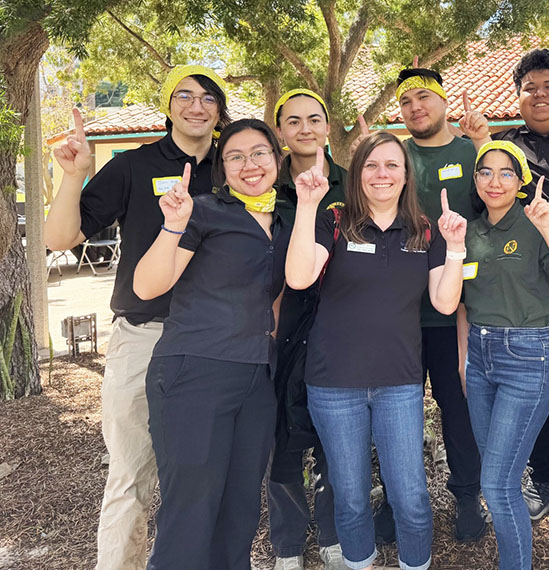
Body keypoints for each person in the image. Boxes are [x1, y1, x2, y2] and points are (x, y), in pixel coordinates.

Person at [44, 65, 229, 570]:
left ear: (219, 109)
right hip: (144, 338)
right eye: (185, 96)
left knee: (204, 477)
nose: (197, 106)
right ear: (168, 106)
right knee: (130, 476)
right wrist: (73, 174)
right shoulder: (133, 165)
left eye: (208, 97)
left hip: (216, 341)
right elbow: (60, 239)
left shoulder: (236, 166)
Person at [285, 131, 467, 570]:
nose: (381, 174)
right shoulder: (334, 219)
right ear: (358, 174)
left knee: (411, 496)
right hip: (333, 383)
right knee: (349, 497)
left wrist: (456, 247)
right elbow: (298, 277)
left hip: (399, 383)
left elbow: (444, 301)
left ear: (406, 175)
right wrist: (306, 206)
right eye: (370, 165)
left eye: (391, 165)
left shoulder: (425, 229)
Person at [134, 118, 289, 569]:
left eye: (258, 152)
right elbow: (147, 287)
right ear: (222, 169)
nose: (249, 164)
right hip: (194, 373)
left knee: (239, 511)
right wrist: (173, 225)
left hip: (256, 378)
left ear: (276, 158)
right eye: (234, 157)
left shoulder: (286, 218)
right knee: (191, 511)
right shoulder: (202, 211)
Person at [460, 47, 549, 538]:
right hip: (534, 293)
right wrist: (480, 138)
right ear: (517, 96)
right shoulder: (510, 148)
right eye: (529, 88)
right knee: (538, 395)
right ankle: (546, 477)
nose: (539, 95)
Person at [458, 140, 549, 570]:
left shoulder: (535, 224)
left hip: (528, 358)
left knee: (497, 485)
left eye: (506, 173)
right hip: (480, 358)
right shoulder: (469, 232)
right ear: (475, 180)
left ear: (521, 182)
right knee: (500, 480)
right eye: (485, 172)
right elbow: (462, 303)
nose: (495, 182)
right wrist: (464, 359)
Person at [368, 67, 486, 544]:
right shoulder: (394, 157)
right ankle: (397, 502)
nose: (415, 107)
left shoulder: (472, 151)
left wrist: (483, 143)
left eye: (424, 97)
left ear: (442, 102)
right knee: (397, 411)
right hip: (401, 312)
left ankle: (466, 498)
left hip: (458, 308)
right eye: (406, 102)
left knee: (458, 405)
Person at [268, 89, 348, 570]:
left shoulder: (350, 182)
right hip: (278, 325)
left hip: (338, 327)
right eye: (292, 121)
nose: (304, 128)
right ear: (280, 130)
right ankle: (287, 546)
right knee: (281, 440)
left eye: (314, 119)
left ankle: (334, 538)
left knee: (336, 437)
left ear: (326, 126)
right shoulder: (263, 178)